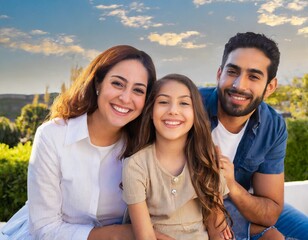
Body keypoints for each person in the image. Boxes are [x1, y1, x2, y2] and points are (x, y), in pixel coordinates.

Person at [0, 45, 172, 240]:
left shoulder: (144, 145)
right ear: (98, 83)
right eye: (117, 84)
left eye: (138, 90)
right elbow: (45, 229)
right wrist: (118, 234)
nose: (125, 98)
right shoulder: (52, 136)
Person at [199, 32, 308, 240]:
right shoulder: (190, 108)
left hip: (246, 201)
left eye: (254, 76)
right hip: (199, 207)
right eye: (232, 71)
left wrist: (231, 184)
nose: (239, 85)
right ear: (219, 73)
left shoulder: (273, 126)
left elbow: (270, 210)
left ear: (270, 87)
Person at [122, 74, 234, 240]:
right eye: (163, 102)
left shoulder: (206, 159)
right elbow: (145, 236)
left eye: (184, 103)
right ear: (151, 112)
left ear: (195, 113)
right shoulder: (136, 165)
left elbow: (216, 225)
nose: (173, 110)